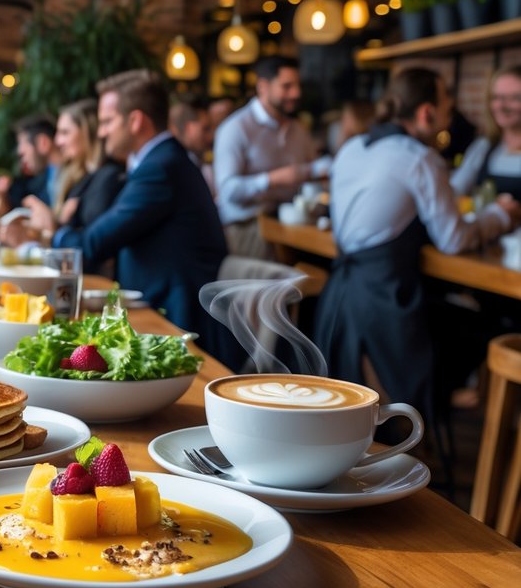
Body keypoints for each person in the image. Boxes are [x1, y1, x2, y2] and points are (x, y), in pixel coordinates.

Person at [313, 68, 520, 432]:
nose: (448, 117)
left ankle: (437, 405)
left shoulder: (351, 147)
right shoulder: (419, 158)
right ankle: (438, 404)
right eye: (446, 108)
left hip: (340, 299)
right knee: (485, 327)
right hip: (385, 305)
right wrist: (499, 216)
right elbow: (453, 240)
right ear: (426, 113)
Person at [52, 69, 238, 367]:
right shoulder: (161, 160)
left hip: (179, 328)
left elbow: (94, 244)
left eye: (107, 121)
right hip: (159, 314)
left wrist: (53, 230)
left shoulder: (161, 168)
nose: (101, 132)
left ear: (136, 120)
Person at [213, 56, 331, 259]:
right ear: (263, 87)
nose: (296, 93)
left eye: (297, 86)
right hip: (246, 227)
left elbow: (312, 171)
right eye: (287, 86)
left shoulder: (298, 130)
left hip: (293, 223)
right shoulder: (236, 128)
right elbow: (228, 191)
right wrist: (272, 179)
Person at [19, 98, 124, 272]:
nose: (58, 141)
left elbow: (93, 248)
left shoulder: (109, 178)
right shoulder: (79, 179)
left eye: (65, 132)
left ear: (88, 132)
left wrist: (53, 225)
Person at [452, 66, 521, 201]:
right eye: (496, 97)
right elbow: (454, 191)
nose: (502, 106)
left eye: (515, 98)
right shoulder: (483, 147)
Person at [169, 94, 216, 197]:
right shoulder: (172, 168)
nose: (211, 136)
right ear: (189, 127)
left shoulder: (198, 162)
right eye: (205, 129)